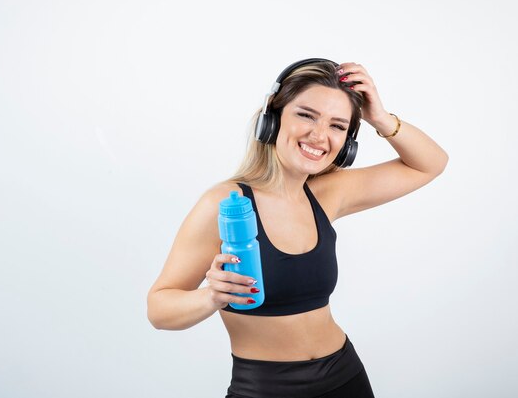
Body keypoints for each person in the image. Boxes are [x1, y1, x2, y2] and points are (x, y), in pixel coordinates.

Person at [147, 58, 449, 397]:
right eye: (306, 115)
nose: (319, 135)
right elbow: (159, 309)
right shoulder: (225, 204)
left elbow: (431, 164)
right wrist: (211, 296)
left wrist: (379, 117)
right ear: (272, 120)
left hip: (345, 377)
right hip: (266, 388)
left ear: (347, 144)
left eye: (337, 126)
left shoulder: (328, 193)